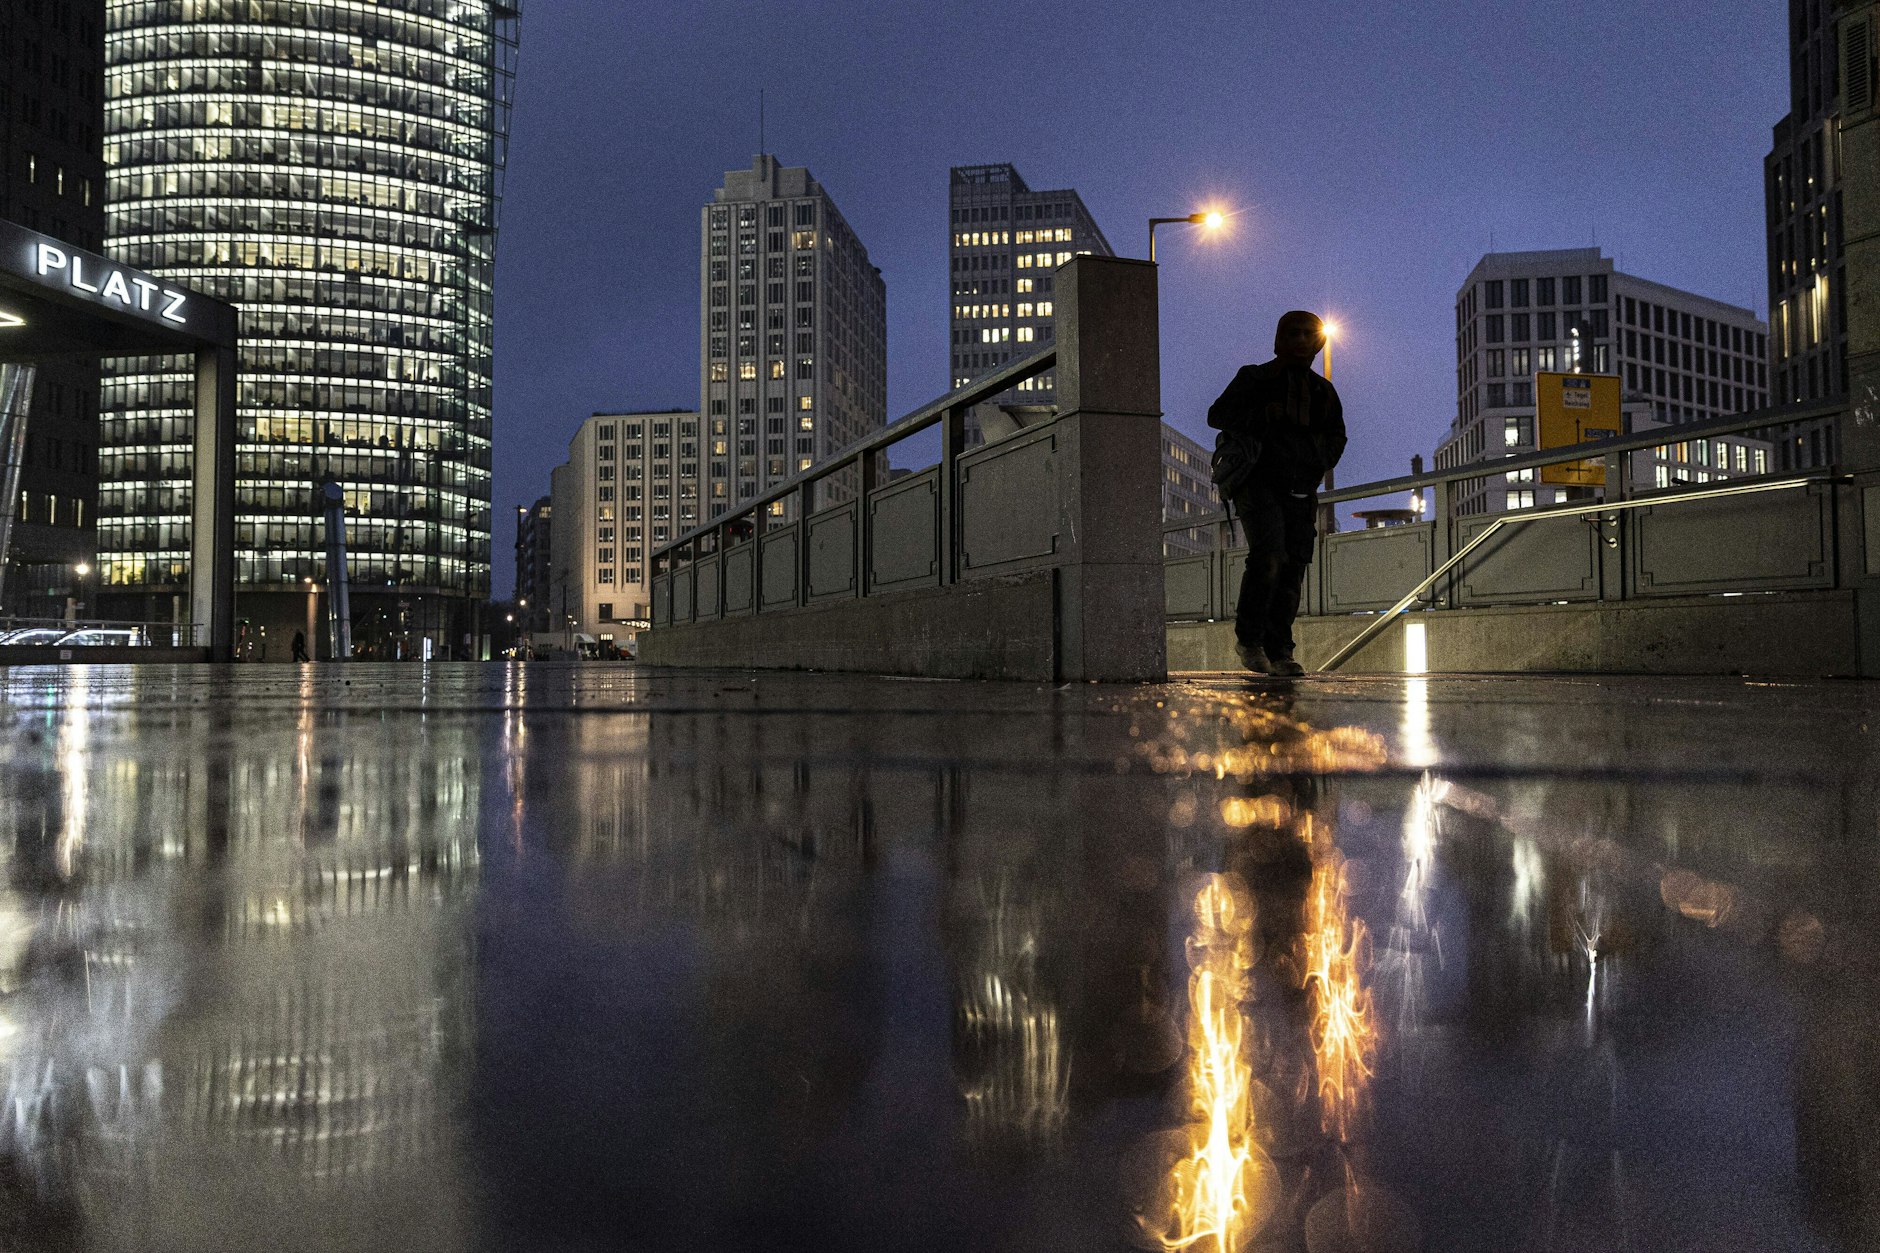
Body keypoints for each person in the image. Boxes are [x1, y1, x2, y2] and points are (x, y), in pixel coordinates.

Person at [1207, 311, 1346, 676]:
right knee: (1269, 555)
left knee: (1292, 568)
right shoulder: (1254, 377)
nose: (1301, 340)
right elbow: (1217, 414)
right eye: (1293, 333)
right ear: (1279, 339)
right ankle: (1251, 641)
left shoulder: (1322, 390)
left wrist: (1317, 461)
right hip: (1257, 483)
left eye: (1307, 334)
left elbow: (1337, 437)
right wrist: (1262, 414)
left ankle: (1279, 651)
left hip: (1301, 488)